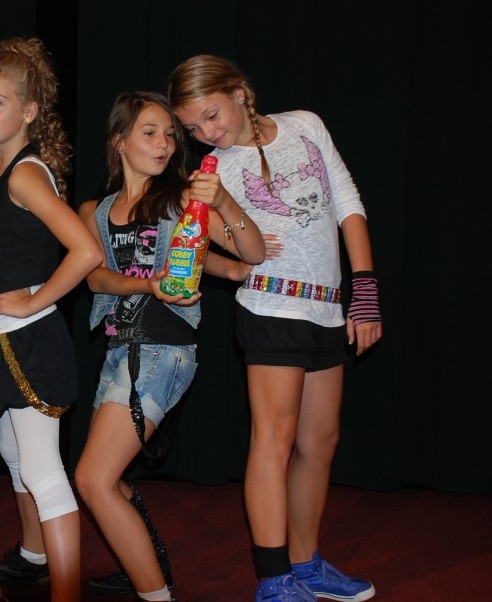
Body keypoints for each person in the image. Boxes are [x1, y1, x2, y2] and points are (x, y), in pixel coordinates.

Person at [167, 54, 382, 602]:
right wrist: (221, 203)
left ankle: (306, 564)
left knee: (320, 441)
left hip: (326, 308)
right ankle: (273, 578)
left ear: (239, 93)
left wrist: (364, 289)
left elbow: (346, 200)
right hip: (269, 308)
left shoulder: (305, 125)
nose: (206, 132)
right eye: (192, 127)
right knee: (275, 438)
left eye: (211, 115)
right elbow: (247, 251)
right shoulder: (211, 175)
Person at [73, 91, 266, 602]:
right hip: (120, 351)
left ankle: (156, 593)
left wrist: (225, 207)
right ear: (119, 141)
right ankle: (147, 561)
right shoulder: (95, 210)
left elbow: (250, 250)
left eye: (169, 134)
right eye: (149, 132)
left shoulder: (182, 199)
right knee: (108, 480)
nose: (164, 144)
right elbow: (95, 278)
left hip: (163, 349)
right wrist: (150, 283)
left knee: (92, 479)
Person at [0, 37, 102, 602]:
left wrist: (32, 301)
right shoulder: (0, 175)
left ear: (30, 111)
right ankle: (37, 556)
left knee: (44, 472)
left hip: (30, 338)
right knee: (15, 454)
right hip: (4, 337)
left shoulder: (23, 175)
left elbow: (86, 251)